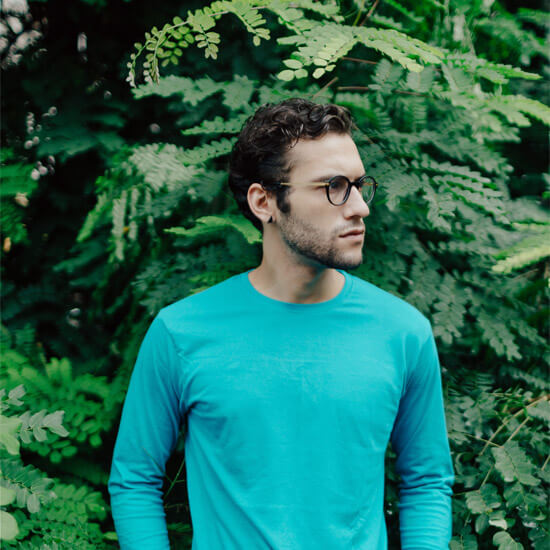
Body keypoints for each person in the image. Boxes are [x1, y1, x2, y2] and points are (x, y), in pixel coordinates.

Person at [108, 98, 454, 549]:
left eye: (358, 185)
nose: (358, 208)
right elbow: (134, 479)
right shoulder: (181, 333)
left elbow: (427, 482)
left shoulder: (403, 333)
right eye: (332, 187)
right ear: (264, 201)